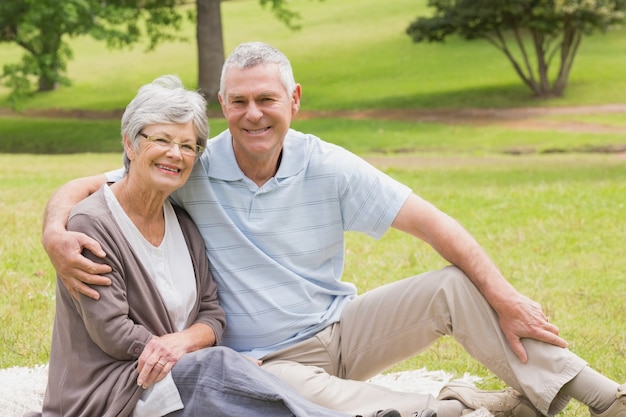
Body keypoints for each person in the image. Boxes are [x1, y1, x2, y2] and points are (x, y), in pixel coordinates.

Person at [40, 43, 625, 417]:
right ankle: (464, 407)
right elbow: (95, 188)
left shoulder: (327, 164)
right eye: (239, 101)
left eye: (267, 98)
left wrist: (505, 296)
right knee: (357, 412)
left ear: (293, 100)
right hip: (268, 362)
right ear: (222, 104)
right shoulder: (191, 163)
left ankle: (603, 395)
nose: (253, 114)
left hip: (343, 331)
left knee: (454, 286)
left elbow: (435, 224)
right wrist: (53, 234)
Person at [29, 74, 375, 417]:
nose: (175, 154)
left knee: (239, 385)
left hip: (177, 381)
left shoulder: (183, 224)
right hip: (114, 394)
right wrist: (198, 357)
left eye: (187, 145)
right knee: (221, 371)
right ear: (130, 144)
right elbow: (112, 331)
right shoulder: (92, 224)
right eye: (162, 139)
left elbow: (212, 312)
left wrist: (191, 348)